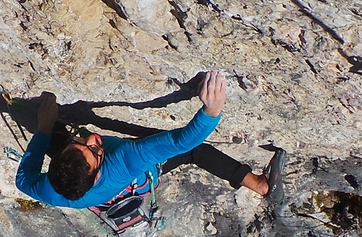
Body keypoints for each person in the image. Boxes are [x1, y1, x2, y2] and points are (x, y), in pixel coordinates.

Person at [16, 71, 285, 210]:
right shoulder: (125, 161)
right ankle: (259, 185)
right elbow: (181, 142)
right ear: (97, 174)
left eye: (80, 141)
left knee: (53, 134)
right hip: (141, 177)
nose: (93, 138)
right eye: (95, 149)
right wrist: (212, 111)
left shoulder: (46, 188)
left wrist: (43, 128)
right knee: (196, 152)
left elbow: (23, 177)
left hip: (96, 189)